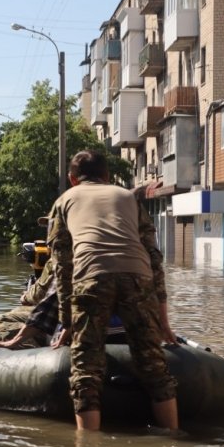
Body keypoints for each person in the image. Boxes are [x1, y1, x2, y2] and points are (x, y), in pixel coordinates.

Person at [47, 149, 178, 432]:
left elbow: (62, 267)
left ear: (72, 179)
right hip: (138, 277)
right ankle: (174, 439)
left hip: (91, 277)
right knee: (154, 365)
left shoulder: (63, 201)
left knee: (85, 371)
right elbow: (154, 258)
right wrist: (163, 320)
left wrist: (67, 322)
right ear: (108, 176)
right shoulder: (128, 197)